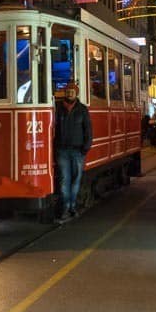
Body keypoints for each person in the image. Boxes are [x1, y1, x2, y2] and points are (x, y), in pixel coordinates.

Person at [54, 81, 92, 221]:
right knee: (65, 180)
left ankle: (72, 206)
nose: (70, 93)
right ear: (65, 93)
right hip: (63, 150)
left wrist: (85, 148)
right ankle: (67, 207)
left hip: (77, 150)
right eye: (68, 91)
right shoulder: (58, 109)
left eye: (72, 92)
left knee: (75, 180)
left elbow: (88, 130)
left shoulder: (82, 109)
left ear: (76, 94)